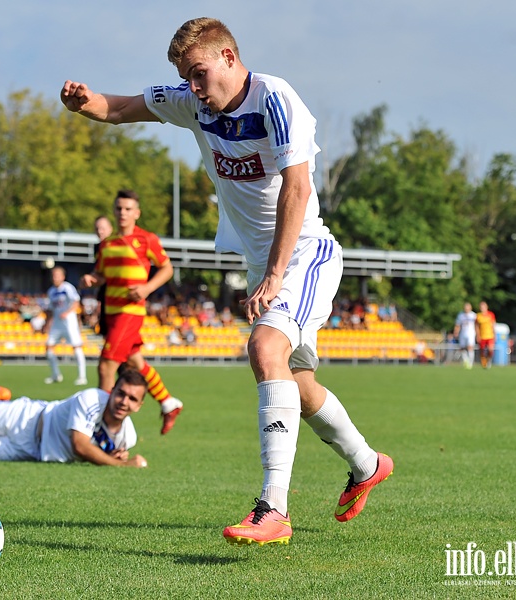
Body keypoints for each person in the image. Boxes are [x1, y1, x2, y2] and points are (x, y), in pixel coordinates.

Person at [62, 17, 393, 545]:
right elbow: (121, 108)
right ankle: (367, 462)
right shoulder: (195, 102)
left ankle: (274, 508)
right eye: (184, 77)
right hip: (268, 266)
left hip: (305, 255)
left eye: (198, 73)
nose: (192, 88)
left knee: (263, 348)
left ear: (229, 58)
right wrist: (85, 103)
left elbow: (297, 190)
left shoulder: (275, 99)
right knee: (298, 385)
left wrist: (276, 275)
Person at [80, 190, 183, 435]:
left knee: (106, 367)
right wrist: (91, 279)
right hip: (111, 313)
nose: (122, 213)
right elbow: (103, 274)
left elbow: (167, 269)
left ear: (136, 213)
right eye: (119, 208)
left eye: (128, 209)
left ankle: (101, 429)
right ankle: (168, 402)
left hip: (130, 312)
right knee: (135, 361)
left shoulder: (146, 239)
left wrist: (147, 288)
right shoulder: (107, 244)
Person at [0, 368, 149, 468]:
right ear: (112, 391)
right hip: (29, 418)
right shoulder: (92, 399)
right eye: (120, 393)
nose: (123, 402)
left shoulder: (127, 437)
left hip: (34, 452)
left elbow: (103, 452)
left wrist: (115, 457)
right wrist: (122, 465)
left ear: (139, 406)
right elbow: (80, 446)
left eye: (132, 398)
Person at [43, 266, 88, 385]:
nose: (55, 278)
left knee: (76, 347)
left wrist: (67, 313)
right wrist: (47, 324)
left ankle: (82, 376)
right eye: (53, 275)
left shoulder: (68, 288)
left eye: (57, 275)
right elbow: (51, 310)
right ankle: (55, 375)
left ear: (63, 277)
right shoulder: (51, 291)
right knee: (48, 346)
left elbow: (76, 302)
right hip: (57, 323)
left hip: (69, 322)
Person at [93, 215, 113, 337]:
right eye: (97, 229)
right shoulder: (98, 248)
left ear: (110, 229)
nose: (99, 231)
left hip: (116, 296)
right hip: (105, 296)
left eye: (102, 228)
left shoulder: (118, 246)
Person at [452, 302, 477, 370]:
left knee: (470, 347)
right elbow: (458, 325)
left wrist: (477, 333)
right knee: (462, 348)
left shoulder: (473, 315)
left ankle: (470, 363)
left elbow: (476, 325)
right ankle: (466, 361)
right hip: (463, 333)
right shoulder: (461, 315)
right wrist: (456, 332)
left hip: (471, 333)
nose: (466, 309)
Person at [475, 301, 497, 369]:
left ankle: (489, 360)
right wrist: (477, 335)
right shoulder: (478, 316)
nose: (482, 308)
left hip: (490, 336)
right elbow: (476, 326)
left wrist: (495, 334)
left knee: (490, 350)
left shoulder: (491, 314)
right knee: (482, 351)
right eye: (481, 307)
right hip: (482, 336)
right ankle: (484, 362)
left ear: (486, 307)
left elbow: (493, 325)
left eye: (484, 307)